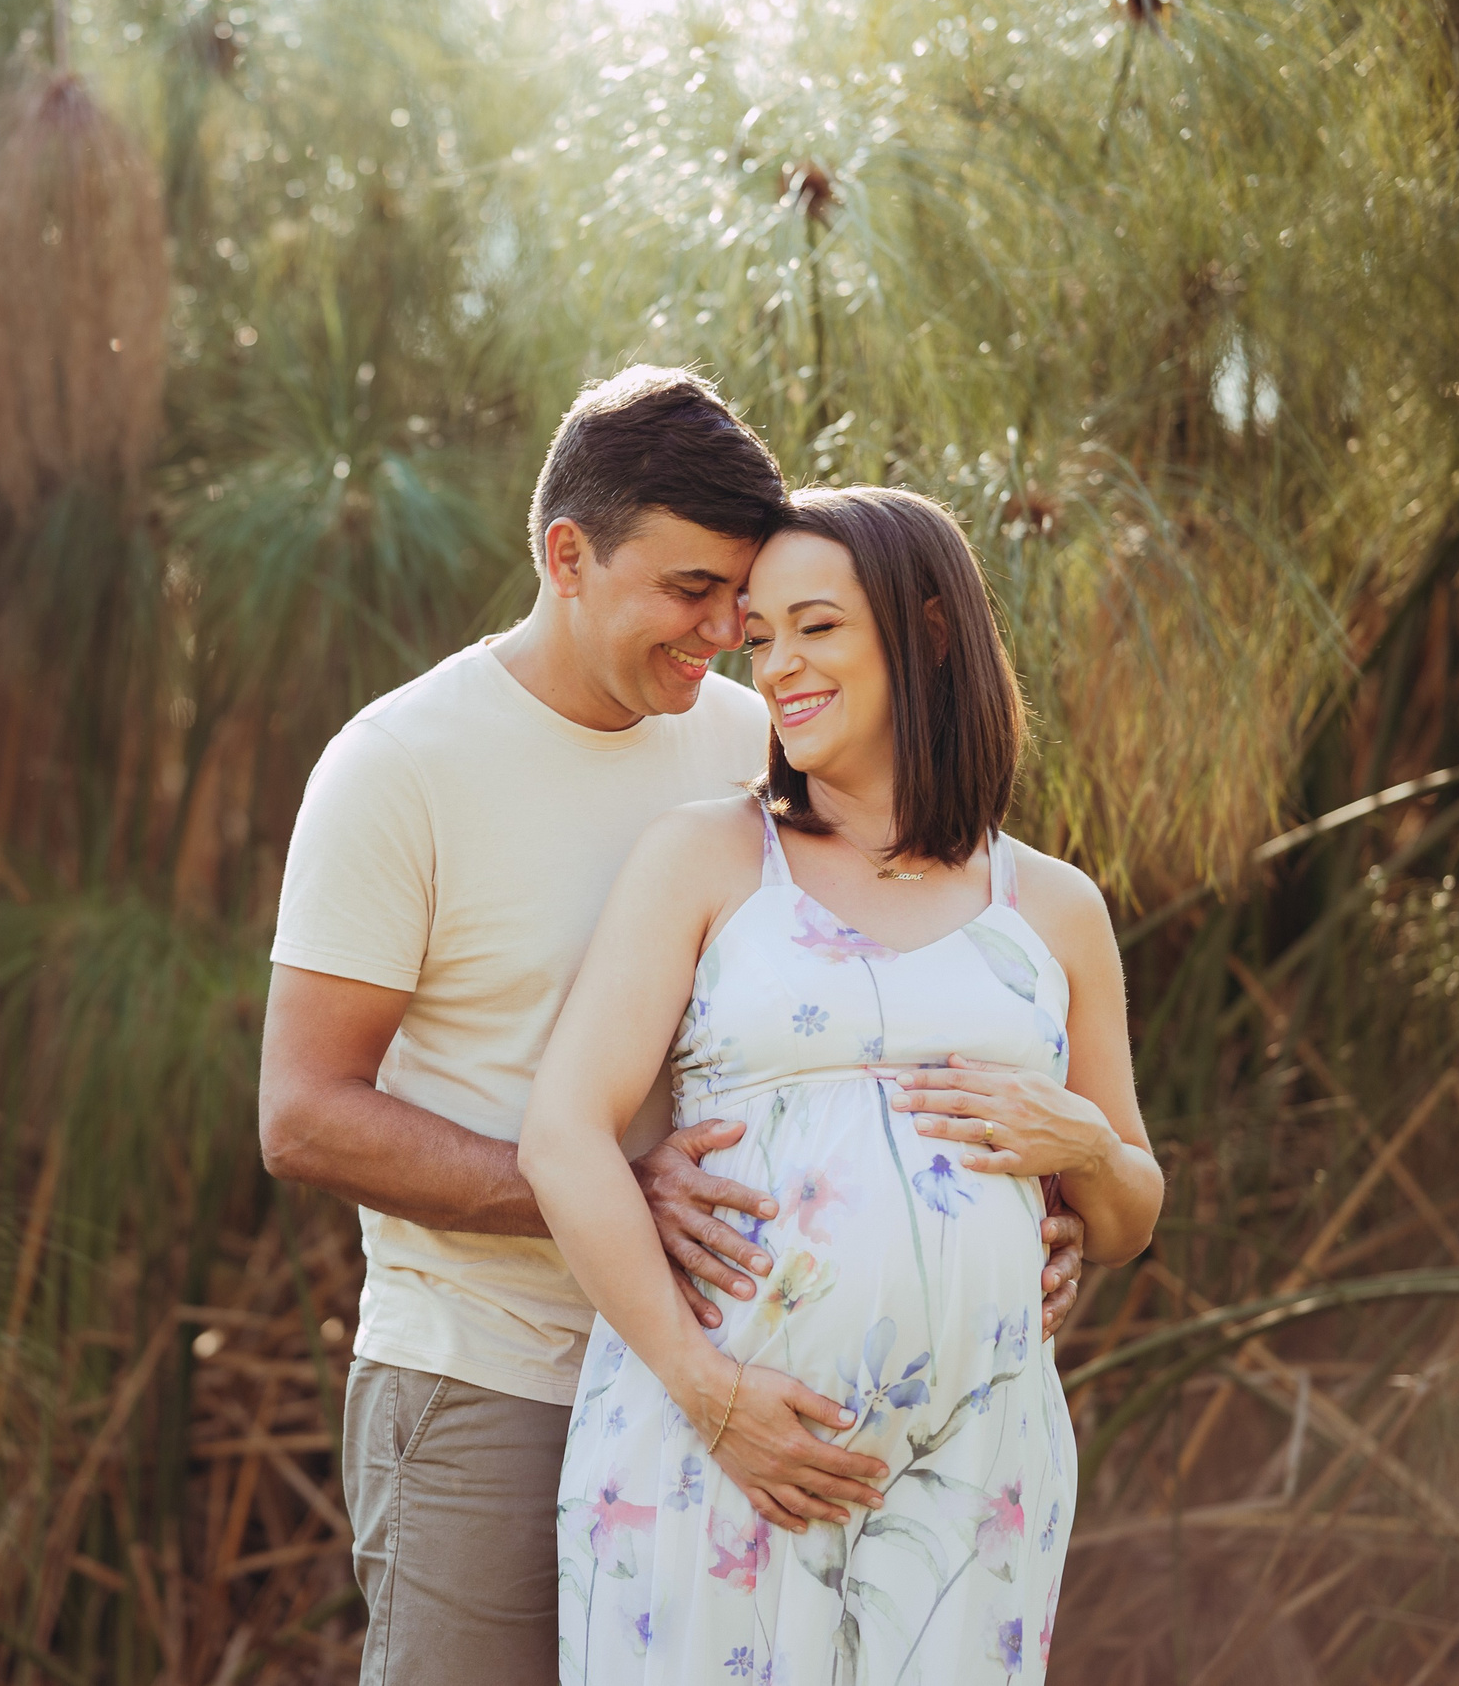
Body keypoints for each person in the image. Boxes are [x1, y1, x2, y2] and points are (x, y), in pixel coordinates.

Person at [259, 376, 1090, 1684]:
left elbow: (888, 979)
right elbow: (302, 1115)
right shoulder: (401, 767)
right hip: (494, 1374)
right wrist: (613, 1196)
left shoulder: (758, 735)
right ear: (567, 556)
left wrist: (1030, 1219)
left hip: (738, 1395)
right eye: (691, 590)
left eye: (743, 605)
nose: (726, 633)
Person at [519, 486, 1164, 1683]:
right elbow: (564, 1134)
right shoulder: (710, 857)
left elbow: (1126, 1210)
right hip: (716, 1440)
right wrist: (706, 1390)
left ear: (925, 631)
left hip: (978, 1461)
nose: (775, 666)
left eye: (814, 626)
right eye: (761, 636)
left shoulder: (1054, 908)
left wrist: (1076, 1139)